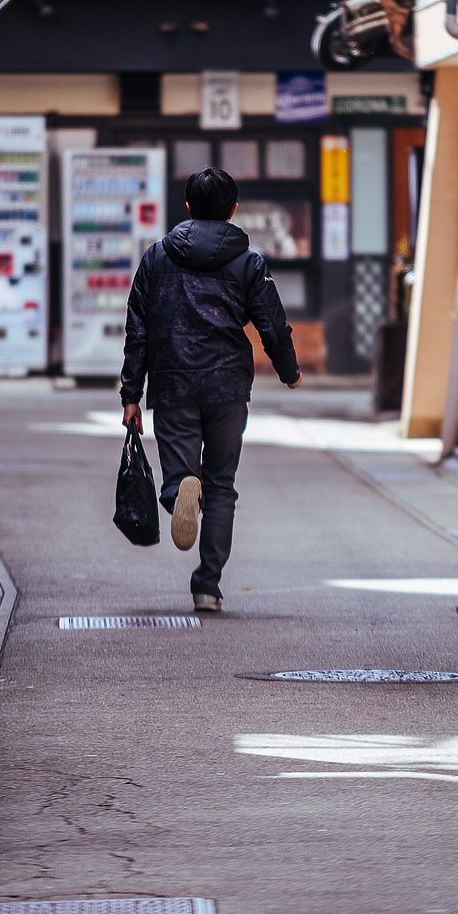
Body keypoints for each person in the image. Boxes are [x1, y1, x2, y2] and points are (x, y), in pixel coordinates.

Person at [120, 167, 302, 614]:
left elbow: (138, 330)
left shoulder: (157, 258)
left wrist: (130, 393)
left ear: (186, 208)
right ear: (233, 211)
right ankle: (207, 587)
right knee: (222, 486)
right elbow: (272, 326)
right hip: (227, 385)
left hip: (172, 381)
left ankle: (181, 490)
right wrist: (289, 371)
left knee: (179, 477)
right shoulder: (248, 262)